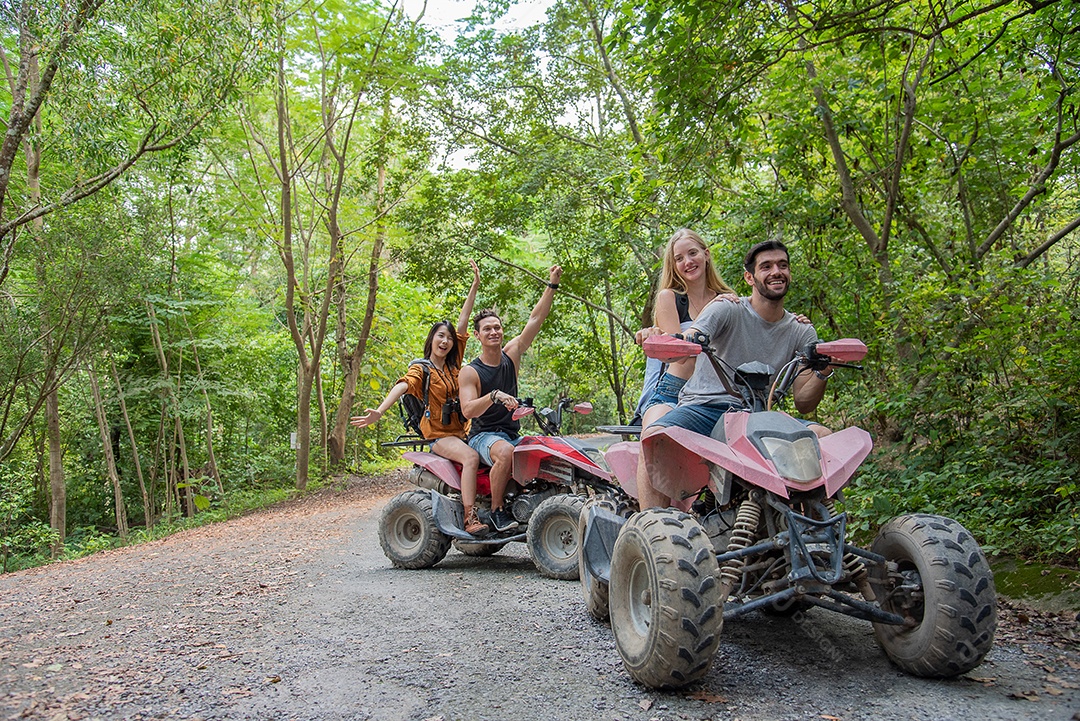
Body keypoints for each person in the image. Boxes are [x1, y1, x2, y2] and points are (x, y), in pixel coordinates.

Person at [635, 240, 832, 509]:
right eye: (766, 266)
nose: (776, 271)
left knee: (825, 437)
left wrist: (823, 371)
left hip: (759, 414)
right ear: (749, 277)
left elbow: (804, 403)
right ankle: (651, 528)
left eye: (782, 265)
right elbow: (689, 340)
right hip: (705, 406)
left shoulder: (801, 330)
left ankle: (818, 526)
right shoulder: (725, 307)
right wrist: (657, 336)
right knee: (655, 440)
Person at [351, 260, 488, 536]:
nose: (446, 341)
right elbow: (402, 386)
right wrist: (379, 411)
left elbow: (462, 323)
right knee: (472, 458)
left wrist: (474, 286)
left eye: (449, 338)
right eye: (440, 336)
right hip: (439, 435)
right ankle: (469, 518)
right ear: (432, 339)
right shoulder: (421, 369)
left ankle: (491, 509)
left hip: (464, 431)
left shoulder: (453, 365)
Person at [459, 265, 564, 532]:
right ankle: (496, 511)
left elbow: (535, 319)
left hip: (511, 432)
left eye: (497, 327)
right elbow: (468, 410)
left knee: (551, 447)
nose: (494, 332)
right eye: (487, 329)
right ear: (477, 336)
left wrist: (552, 285)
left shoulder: (511, 355)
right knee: (505, 451)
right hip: (484, 436)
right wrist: (493, 396)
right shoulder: (471, 372)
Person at [630, 228, 737, 427]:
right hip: (676, 389)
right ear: (674, 266)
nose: (687, 262)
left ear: (706, 254)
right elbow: (681, 356)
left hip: (719, 390)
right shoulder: (669, 298)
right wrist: (714, 310)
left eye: (693, 253)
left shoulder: (727, 297)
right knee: (655, 438)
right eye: (679, 258)